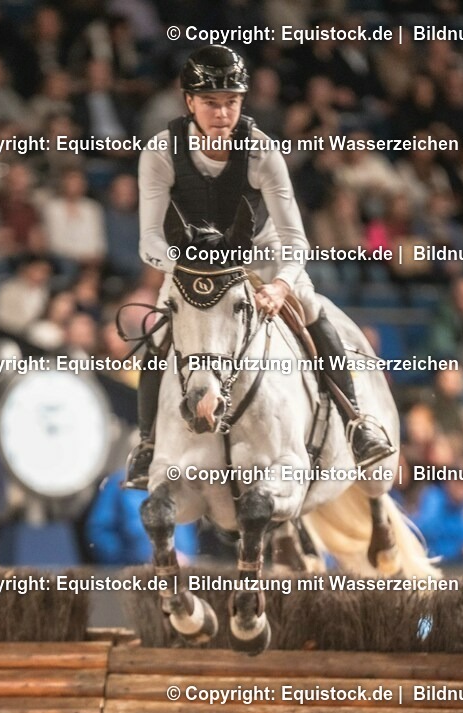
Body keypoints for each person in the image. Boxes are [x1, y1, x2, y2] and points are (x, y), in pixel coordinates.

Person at [124, 44, 394, 490]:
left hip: (260, 254)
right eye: (211, 102)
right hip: (192, 263)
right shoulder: (160, 152)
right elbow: (149, 241)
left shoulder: (261, 151)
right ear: (189, 101)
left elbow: (294, 238)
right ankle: (149, 445)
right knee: (158, 334)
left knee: (310, 307)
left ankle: (356, 422)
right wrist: (194, 264)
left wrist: (283, 286)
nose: (222, 112)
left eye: (231, 101)